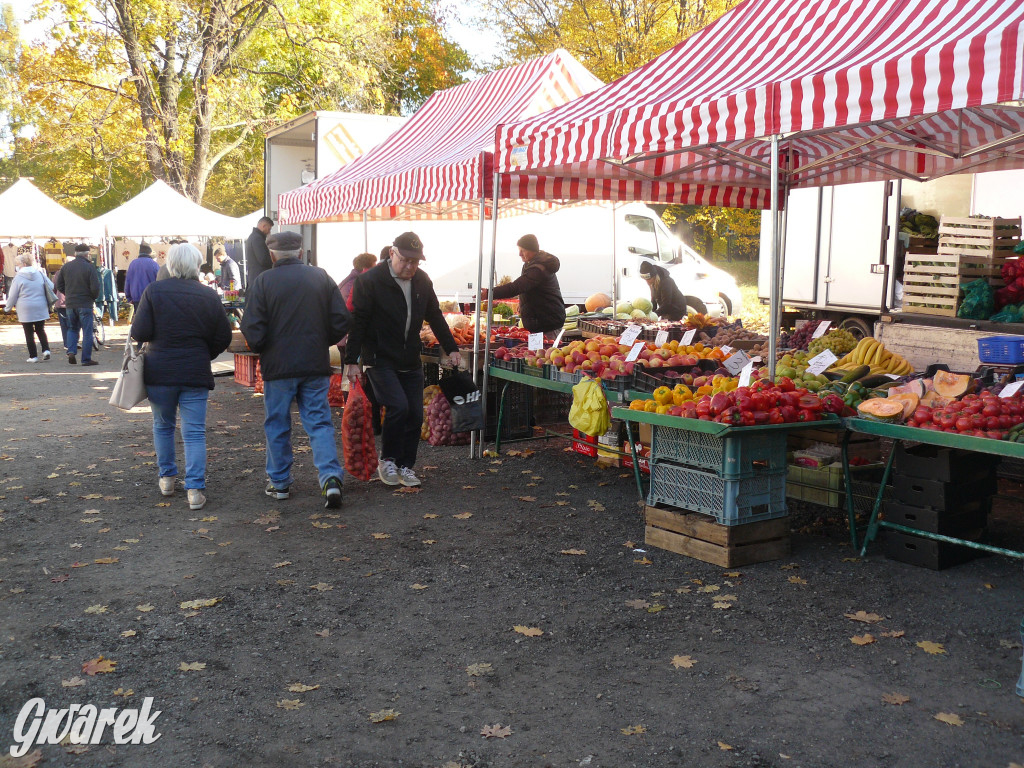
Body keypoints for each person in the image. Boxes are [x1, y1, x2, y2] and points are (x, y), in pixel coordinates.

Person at [241, 230, 349, 508]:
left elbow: (252, 327)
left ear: (271, 255)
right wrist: (321, 340)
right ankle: (330, 479)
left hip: (278, 366)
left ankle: (279, 483)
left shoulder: (263, 281)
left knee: (277, 424)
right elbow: (341, 319)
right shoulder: (321, 277)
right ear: (301, 253)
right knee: (319, 422)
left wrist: (264, 346)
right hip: (314, 362)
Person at [344, 232, 460, 488]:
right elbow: (358, 321)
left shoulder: (422, 280)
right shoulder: (370, 281)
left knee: (415, 414)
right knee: (398, 406)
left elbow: (435, 315)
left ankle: (406, 465)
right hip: (380, 357)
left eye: (415, 262)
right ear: (392, 253)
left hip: (410, 357)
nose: (410, 266)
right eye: (405, 260)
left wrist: (451, 348)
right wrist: (351, 360)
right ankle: (388, 460)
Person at [130, 243, 232, 512]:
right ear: (197, 265)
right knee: (194, 432)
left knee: (162, 425)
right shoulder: (208, 295)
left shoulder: (154, 291)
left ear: (170, 264)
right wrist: (204, 353)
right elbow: (224, 335)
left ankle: (167, 479)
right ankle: (195, 490)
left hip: (159, 370)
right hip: (195, 370)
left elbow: (139, 332)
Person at [480, 234, 565, 334]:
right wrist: (523, 303)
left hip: (547, 323)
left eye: (523, 250)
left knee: (546, 345)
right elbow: (528, 289)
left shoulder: (538, 269)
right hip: (540, 322)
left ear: (532, 250)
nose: (519, 254)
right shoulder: (530, 264)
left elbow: (516, 287)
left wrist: (489, 293)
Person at [55, 243, 100, 366]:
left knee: (72, 328)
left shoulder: (66, 267)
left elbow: (59, 285)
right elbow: (95, 287)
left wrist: (68, 293)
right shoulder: (89, 267)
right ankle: (86, 359)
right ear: (87, 254)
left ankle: (71, 351)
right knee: (87, 331)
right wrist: (92, 297)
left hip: (70, 303)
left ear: (75, 254)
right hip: (85, 303)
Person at [3, 252, 54, 362]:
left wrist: (7, 308)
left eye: (18, 264)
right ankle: (46, 350)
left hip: (25, 307)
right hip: (40, 305)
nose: (17, 267)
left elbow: (12, 295)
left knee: (28, 332)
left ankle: (33, 356)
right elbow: (51, 285)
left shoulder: (18, 277)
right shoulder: (39, 273)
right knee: (40, 329)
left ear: (23, 264)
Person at [124, 243, 159, 311]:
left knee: (139, 317)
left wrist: (129, 297)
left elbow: (128, 281)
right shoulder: (154, 264)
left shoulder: (133, 264)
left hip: (136, 298)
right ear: (150, 253)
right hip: (151, 297)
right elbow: (158, 281)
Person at [245, 216, 274, 288]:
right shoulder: (257, 238)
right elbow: (264, 260)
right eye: (269, 229)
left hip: (254, 278)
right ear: (264, 226)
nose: (269, 232)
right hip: (260, 279)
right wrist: (274, 261)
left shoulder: (252, 237)